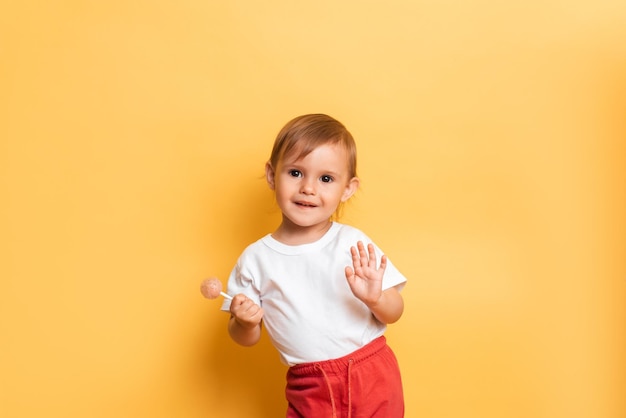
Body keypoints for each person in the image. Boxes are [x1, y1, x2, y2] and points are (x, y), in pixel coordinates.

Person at [221, 113, 407, 417]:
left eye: (326, 179)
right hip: (309, 385)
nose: (308, 188)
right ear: (271, 175)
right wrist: (244, 322)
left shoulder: (353, 243)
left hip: (371, 373)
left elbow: (395, 312)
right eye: (295, 173)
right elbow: (244, 339)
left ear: (347, 188)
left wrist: (376, 297)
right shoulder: (255, 259)